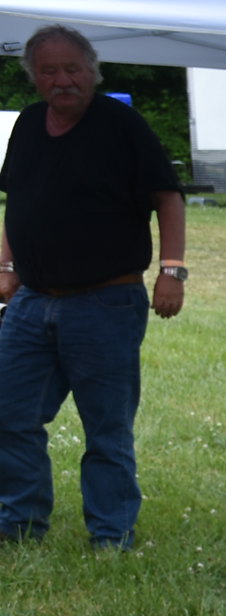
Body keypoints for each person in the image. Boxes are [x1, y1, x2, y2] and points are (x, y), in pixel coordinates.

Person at [0, 24, 187, 549]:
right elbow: (19, 202)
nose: (63, 80)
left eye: (72, 69)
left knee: (105, 429)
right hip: (33, 300)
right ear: (34, 78)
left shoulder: (121, 123)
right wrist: (5, 267)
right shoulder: (30, 124)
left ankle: (111, 536)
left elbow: (168, 197)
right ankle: (19, 527)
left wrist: (172, 269)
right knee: (10, 416)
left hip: (107, 301)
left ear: (93, 70)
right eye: (49, 71)